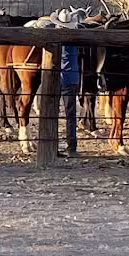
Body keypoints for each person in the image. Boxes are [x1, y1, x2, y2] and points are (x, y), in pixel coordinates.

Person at [53, 9, 80, 157]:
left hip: (57, 79)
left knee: (53, 113)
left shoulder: (55, 41)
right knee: (70, 114)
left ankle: (53, 144)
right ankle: (72, 146)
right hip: (72, 79)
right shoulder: (74, 41)